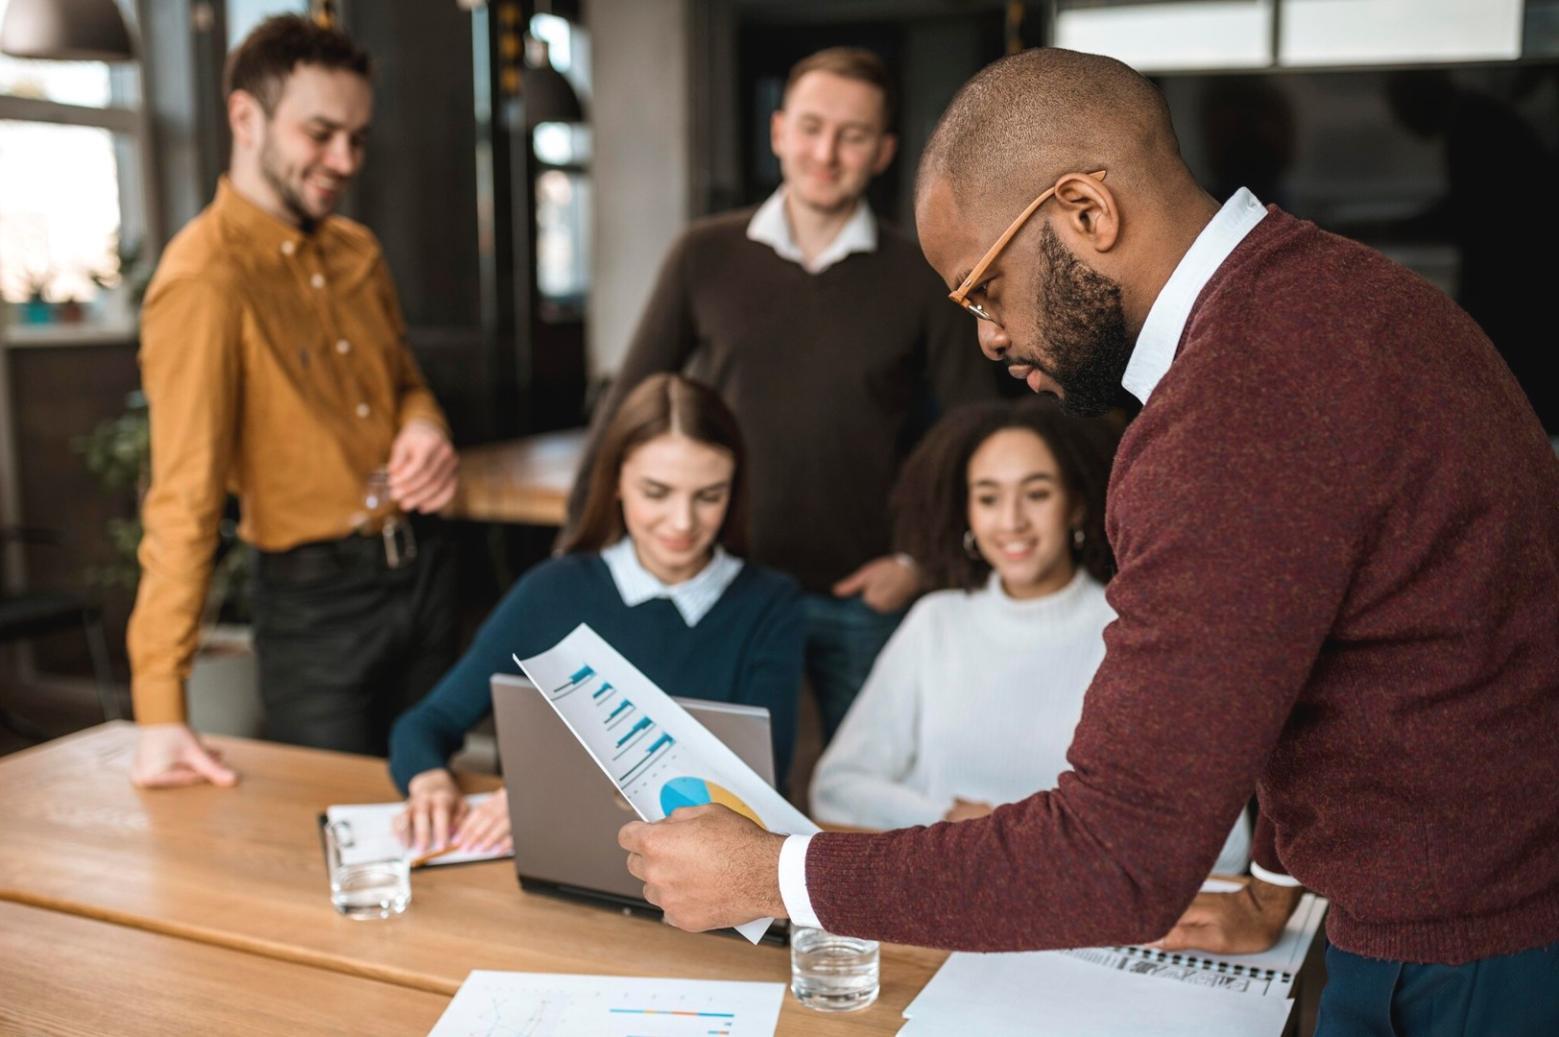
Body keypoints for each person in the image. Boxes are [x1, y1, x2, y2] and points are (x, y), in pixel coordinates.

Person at [617, 47, 1559, 1034]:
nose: (985, 337)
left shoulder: (1229, 406)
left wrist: (771, 871)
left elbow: (1117, 855)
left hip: (1466, 958)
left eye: (985, 288)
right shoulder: (1337, 294)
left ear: (1084, 210)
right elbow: (1330, 642)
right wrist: (1274, 871)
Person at [566, 47, 999, 742]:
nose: (825, 152)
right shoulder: (703, 254)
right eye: (809, 126)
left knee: (860, 801)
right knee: (708, 786)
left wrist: (921, 560)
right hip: (720, 582)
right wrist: (574, 557)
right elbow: (628, 406)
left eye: (851, 136)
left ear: (884, 152)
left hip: (861, 592)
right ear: (777, 131)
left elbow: (976, 432)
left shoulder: (920, 275)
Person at [127, 16, 459, 787]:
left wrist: (423, 427)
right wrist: (160, 708)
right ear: (245, 117)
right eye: (320, 133)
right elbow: (184, 498)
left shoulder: (359, 251)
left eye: (358, 137)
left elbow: (407, 381)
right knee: (341, 827)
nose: (344, 160)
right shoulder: (202, 281)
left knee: (444, 809)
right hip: (317, 607)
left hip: (424, 568)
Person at [809, 398, 1251, 876]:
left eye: (1036, 494)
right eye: (988, 497)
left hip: (1086, 906)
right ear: (967, 514)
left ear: (1076, 505)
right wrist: (948, 822)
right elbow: (835, 787)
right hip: (945, 885)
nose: (1012, 521)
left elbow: (1223, 840)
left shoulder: (1137, 630)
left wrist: (1020, 835)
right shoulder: (936, 622)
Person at [389, 374, 803, 857]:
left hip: (701, 877)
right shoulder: (552, 590)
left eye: (709, 496)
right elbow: (426, 723)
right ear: (617, 483)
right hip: (560, 863)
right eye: (656, 492)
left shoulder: (771, 604)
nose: (682, 522)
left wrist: (550, 795)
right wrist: (431, 784)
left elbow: (758, 781)